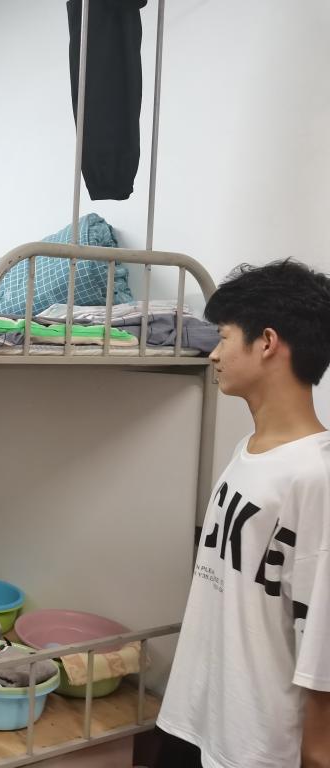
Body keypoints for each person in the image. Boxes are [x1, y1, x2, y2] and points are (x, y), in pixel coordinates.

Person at [156, 260, 330, 768]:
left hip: (259, 746)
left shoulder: (316, 477)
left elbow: (321, 636)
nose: (213, 353)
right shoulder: (248, 451)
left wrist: (317, 753)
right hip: (201, 719)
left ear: (267, 342)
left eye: (224, 337)